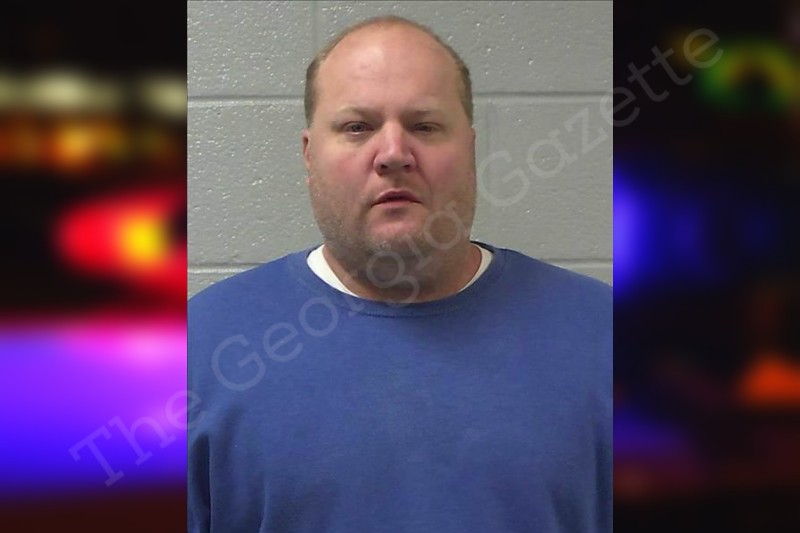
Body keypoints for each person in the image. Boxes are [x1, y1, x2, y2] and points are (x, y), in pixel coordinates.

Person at [188, 15, 611, 533]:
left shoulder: (605, 337)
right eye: (357, 127)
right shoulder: (201, 347)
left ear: (470, 148)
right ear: (309, 154)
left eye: (425, 126)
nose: (392, 154)